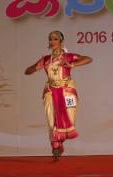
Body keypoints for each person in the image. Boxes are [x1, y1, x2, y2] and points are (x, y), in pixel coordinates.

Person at [25, 31, 92, 159]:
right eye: (50, 39)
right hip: (50, 91)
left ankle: (60, 141)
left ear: (61, 41)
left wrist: (72, 64)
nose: (52, 41)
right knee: (51, 120)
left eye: (55, 39)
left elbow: (88, 59)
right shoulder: (45, 59)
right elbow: (27, 71)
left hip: (67, 90)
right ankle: (55, 144)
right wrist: (35, 67)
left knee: (70, 119)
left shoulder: (68, 57)